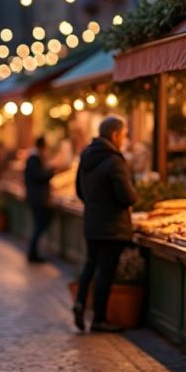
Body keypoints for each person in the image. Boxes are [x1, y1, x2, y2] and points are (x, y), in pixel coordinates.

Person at [74, 115, 138, 333]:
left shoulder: (86, 156)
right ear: (114, 135)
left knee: (90, 265)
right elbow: (127, 197)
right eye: (124, 135)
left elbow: (79, 191)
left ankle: (80, 302)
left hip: (91, 222)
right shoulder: (114, 160)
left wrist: (94, 204)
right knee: (105, 272)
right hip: (113, 227)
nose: (125, 139)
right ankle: (99, 318)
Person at [24, 136, 55, 263]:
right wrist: (51, 171)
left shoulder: (33, 158)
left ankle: (33, 252)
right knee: (39, 225)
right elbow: (39, 176)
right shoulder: (34, 159)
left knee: (39, 224)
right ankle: (33, 253)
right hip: (38, 198)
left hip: (36, 197)